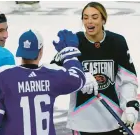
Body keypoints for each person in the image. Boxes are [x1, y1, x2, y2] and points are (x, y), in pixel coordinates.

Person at [52, 2, 139, 135]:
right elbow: (57, 73)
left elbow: (128, 80)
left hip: (113, 120)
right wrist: (79, 77)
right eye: (85, 17)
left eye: (94, 17)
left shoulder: (117, 42)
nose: (89, 21)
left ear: (103, 19)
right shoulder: (74, 42)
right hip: (82, 120)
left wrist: (130, 107)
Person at [0, 29, 88, 135]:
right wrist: (69, 54)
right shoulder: (52, 75)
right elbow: (78, 78)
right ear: (40, 52)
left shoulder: (3, 77)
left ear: (20, 51)